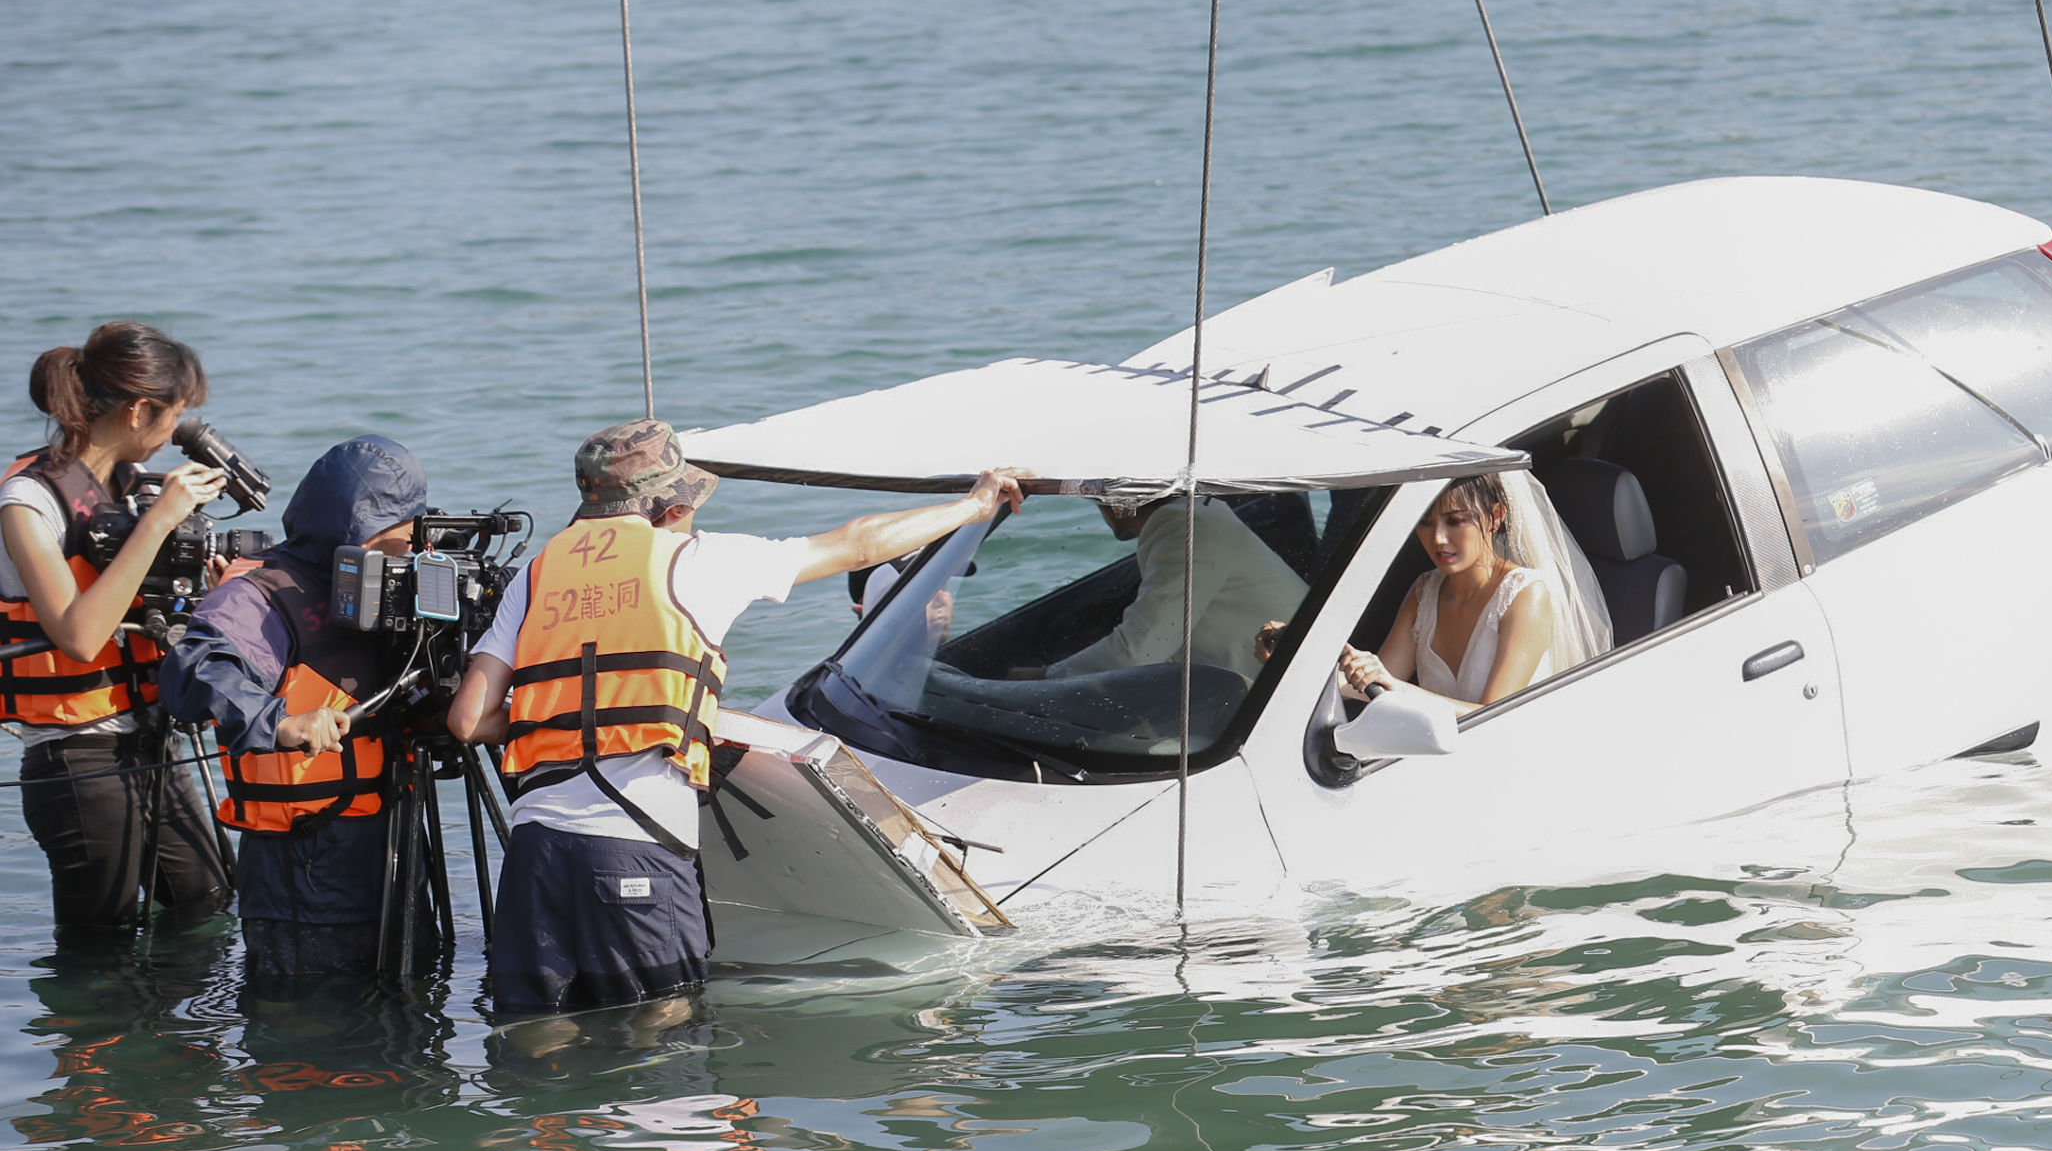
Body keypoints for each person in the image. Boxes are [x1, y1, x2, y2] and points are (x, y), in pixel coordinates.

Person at [447, 417, 1028, 1031]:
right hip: (634, 851)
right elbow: (859, 544)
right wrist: (974, 504)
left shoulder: (538, 575)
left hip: (535, 850)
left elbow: (468, 719)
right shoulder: (700, 560)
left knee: (538, 1035)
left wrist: (565, 719)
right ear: (671, 507)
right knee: (661, 1037)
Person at [157, 436, 432, 982]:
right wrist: (278, 723)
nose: (406, 552)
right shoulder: (258, 595)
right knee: (309, 1041)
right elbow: (193, 670)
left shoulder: (380, 586)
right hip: (305, 867)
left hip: (388, 847)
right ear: (352, 529)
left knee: (402, 1028)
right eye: (395, 540)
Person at [2, 324, 231, 930]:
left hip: (149, 739)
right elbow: (77, 634)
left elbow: (139, 606)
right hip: (77, 759)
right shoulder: (29, 502)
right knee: (98, 952)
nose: (173, 436)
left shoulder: (128, 491)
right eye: (174, 417)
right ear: (137, 410)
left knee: (205, 910)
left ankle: (181, 1029)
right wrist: (160, 521)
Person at [1330, 472, 1612, 712]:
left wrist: (1398, 689)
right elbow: (1372, 686)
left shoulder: (1526, 595)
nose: (1438, 538)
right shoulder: (1423, 593)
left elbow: (1492, 718)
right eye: (1425, 522)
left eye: (1455, 521)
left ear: (1495, 516)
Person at [1022, 494, 1307, 685]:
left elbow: (1140, 651)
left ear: (1118, 500)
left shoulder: (1184, 526)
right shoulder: (1197, 515)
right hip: (1263, 688)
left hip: (1275, 701)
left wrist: (1043, 679)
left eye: (1096, 496)